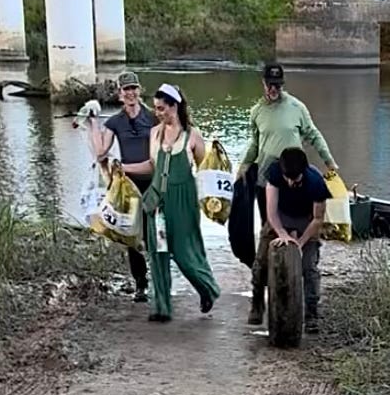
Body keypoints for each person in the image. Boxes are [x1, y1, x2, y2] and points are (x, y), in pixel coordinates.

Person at [235, 63, 339, 325]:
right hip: (268, 182)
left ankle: (310, 311)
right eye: (270, 84)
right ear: (263, 83)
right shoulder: (256, 111)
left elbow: (313, 135)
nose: (273, 89)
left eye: (278, 85)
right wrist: (243, 166)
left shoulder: (296, 108)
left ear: (283, 85)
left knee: (307, 259)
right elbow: (254, 144)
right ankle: (259, 302)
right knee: (268, 239)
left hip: (299, 179)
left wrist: (330, 161)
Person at [142, 83, 221, 324]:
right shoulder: (154, 133)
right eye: (156, 108)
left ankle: (208, 289)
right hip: (157, 199)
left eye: (162, 108)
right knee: (158, 253)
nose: (158, 112)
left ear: (174, 106)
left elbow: (204, 169)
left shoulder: (192, 136)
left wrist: (211, 202)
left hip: (183, 201)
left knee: (186, 253)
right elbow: (152, 165)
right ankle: (161, 307)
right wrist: (122, 169)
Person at [93, 71, 155, 302]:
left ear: (140, 90)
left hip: (152, 181)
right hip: (128, 185)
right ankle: (141, 284)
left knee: (152, 235)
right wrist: (91, 124)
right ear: (119, 93)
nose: (130, 93)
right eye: (126, 89)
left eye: (134, 88)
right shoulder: (115, 122)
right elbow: (101, 153)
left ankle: (160, 276)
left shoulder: (153, 116)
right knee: (132, 234)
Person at [262, 147, 332, 334]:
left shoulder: (316, 183)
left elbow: (318, 219)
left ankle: (311, 314)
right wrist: (282, 233)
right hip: (281, 215)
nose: (291, 182)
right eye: (288, 179)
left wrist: (300, 243)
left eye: (296, 179)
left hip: (306, 219)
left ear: (304, 172)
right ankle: (259, 303)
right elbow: (271, 211)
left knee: (309, 267)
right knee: (262, 260)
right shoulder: (275, 172)